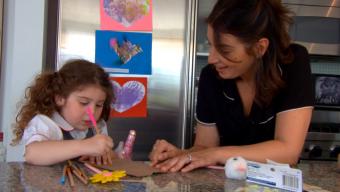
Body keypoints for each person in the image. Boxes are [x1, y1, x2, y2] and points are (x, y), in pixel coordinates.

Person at [149, 0, 314, 173]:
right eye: (211, 45)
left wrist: (215, 154)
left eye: (224, 50)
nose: (211, 58)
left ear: (259, 47)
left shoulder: (293, 63)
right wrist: (181, 155)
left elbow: (288, 151)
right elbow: (205, 147)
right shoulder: (210, 76)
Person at [12, 59, 115, 166]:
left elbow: (111, 155)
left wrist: (103, 153)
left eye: (99, 105)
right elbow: (32, 154)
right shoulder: (46, 124)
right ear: (60, 98)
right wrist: (85, 146)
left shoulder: (97, 126)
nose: (92, 112)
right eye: (84, 103)